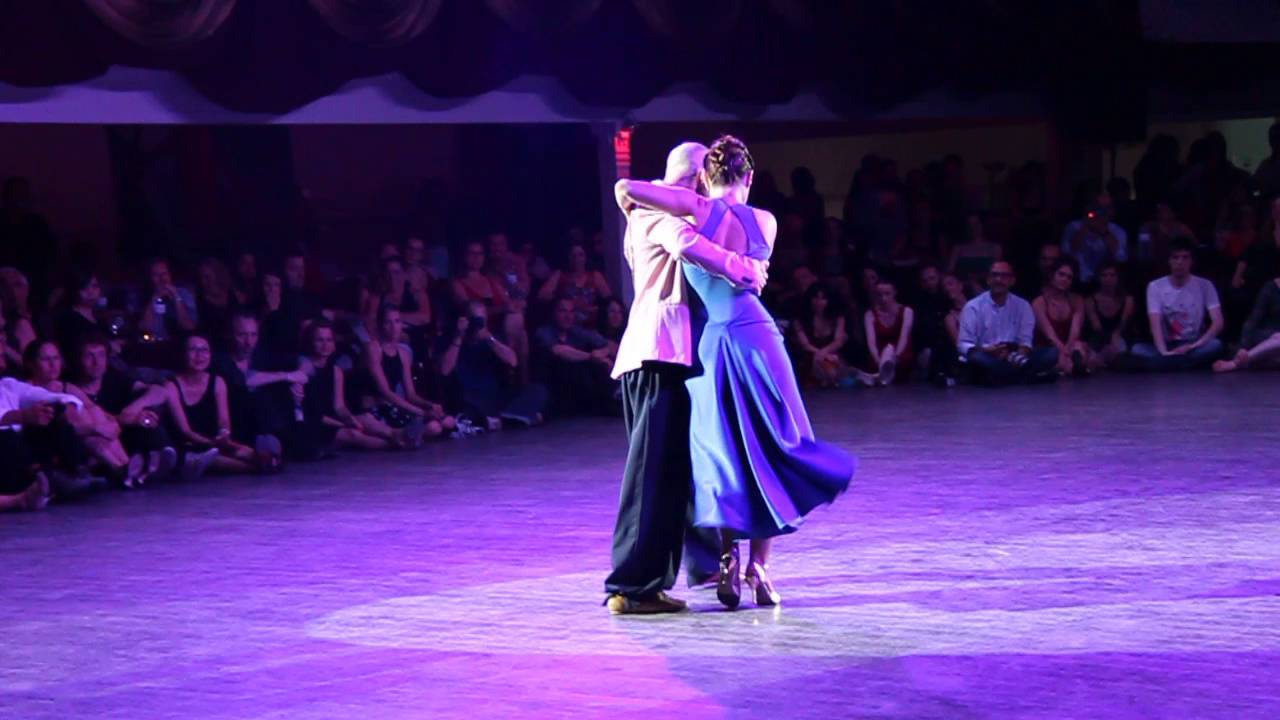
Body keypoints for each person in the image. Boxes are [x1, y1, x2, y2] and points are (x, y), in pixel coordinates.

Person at [616, 134, 856, 611]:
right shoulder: (721, 219)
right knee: (767, 446)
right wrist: (741, 267)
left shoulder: (691, 210)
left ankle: (716, 560)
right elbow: (683, 242)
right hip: (720, 341)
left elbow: (629, 187)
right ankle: (739, 568)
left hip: (706, 346)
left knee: (720, 452)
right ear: (748, 176)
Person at [603, 140, 769, 615]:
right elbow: (687, 245)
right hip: (659, 352)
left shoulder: (652, 205)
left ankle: (674, 574)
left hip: (670, 353)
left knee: (679, 468)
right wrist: (745, 269)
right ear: (698, 180)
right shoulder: (655, 211)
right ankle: (631, 586)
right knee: (652, 474)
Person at [24, 340, 144, 487]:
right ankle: (120, 469)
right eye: (46, 359)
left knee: (95, 412)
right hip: (49, 441)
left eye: (56, 358)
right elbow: (56, 428)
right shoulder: (26, 391)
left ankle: (125, 465)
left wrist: (114, 422)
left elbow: (95, 409)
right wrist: (96, 428)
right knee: (75, 411)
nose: (53, 365)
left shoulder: (65, 386)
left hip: (80, 437)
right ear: (31, 364)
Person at [73, 334, 177, 485]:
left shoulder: (114, 378)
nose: (97, 362)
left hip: (124, 435)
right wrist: (129, 419)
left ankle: (165, 457)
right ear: (78, 360)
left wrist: (133, 409)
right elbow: (95, 419)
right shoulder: (73, 388)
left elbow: (160, 392)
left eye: (101, 356)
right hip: (99, 442)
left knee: (150, 414)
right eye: (89, 356)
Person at [300, 319, 411, 450]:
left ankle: (397, 434)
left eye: (329, 340)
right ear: (311, 342)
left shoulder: (336, 371)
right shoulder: (303, 369)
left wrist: (350, 419)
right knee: (353, 433)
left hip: (332, 418)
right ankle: (393, 444)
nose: (325, 345)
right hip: (313, 424)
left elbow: (339, 407)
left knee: (364, 419)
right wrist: (343, 425)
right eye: (320, 340)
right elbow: (312, 413)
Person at [165, 333, 263, 476]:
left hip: (213, 443)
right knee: (229, 462)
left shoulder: (217, 382)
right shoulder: (171, 385)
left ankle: (266, 462)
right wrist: (212, 444)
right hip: (188, 445)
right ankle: (256, 468)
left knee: (247, 453)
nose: (199, 355)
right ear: (183, 354)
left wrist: (224, 436)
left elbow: (223, 421)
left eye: (204, 350)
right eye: (193, 350)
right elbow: (185, 431)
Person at [956, 261, 1059, 386]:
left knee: (1052, 353)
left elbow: (1025, 341)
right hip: (986, 355)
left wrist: (1017, 355)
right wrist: (987, 350)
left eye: (1004, 276)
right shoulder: (973, 307)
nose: (999, 279)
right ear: (988, 280)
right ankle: (1029, 377)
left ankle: (1001, 378)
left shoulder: (1023, 306)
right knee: (977, 359)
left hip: (1013, 356)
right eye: (995, 275)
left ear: (1012, 281)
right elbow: (963, 344)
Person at [1131, 239, 1224, 371]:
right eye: (1175, 257)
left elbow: (1218, 322)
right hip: (1166, 345)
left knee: (1216, 345)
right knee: (1137, 349)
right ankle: (1182, 364)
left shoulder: (1205, 285)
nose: (1180, 262)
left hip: (1193, 345)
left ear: (1192, 261)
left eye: (1185, 258)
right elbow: (1155, 324)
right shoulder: (1155, 286)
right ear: (1169, 260)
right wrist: (1164, 352)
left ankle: (1165, 364)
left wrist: (1194, 346)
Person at [360, 304, 446, 439]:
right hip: (375, 408)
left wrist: (430, 405)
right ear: (380, 325)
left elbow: (411, 394)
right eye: (388, 322)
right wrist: (421, 412)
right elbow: (385, 392)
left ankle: (404, 437)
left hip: (394, 406)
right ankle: (399, 436)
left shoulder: (404, 353)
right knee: (428, 423)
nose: (394, 327)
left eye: (397, 321)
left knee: (437, 426)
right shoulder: (373, 348)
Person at [535, 298, 617, 417]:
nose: (568, 316)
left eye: (571, 312)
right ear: (554, 313)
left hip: (577, 388)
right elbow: (560, 350)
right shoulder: (544, 332)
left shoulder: (577, 331)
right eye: (563, 311)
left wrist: (603, 352)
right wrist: (592, 356)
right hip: (552, 386)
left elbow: (611, 346)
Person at [1215, 257, 1280, 373]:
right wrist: (1243, 346)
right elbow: (1253, 320)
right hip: (1268, 337)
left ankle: (1251, 361)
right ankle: (1238, 362)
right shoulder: (1271, 288)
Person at [1032, 259, 1093, 376]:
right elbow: (1050, 336)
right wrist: (1064, 352)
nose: (1065, 279)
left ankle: (1069, 367)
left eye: (1069, 277)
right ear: (1052, 275)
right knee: (1055, 355)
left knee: (1079, 346)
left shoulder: (1077, 300)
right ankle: (1070, 368)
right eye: (1061, 274)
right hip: (1048, 347)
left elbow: (1075, 331)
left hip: (1069, 346)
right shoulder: (1039, 302)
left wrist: (1067, 351)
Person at [537, 243, 614, 327]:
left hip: (591, 323)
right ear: (568, 257)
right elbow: (542, 295)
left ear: (585, 257)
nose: (577, 259)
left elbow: (609, 300)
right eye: (573, 255)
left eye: (580, 255)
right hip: (567, 323)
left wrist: (595, 309)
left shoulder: (594, 276)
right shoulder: (560, 275)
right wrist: (562, 300)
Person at [792, 284, 851, 388]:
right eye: (816, 298)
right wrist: (823, 355)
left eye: (823, 298)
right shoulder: (800, 319)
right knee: (821, 365)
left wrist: (824, 353)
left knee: (833, 369)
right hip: (809, 357)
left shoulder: (837, 318)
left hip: (833, 356)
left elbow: (838, 341)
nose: (818, 302)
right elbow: (805, 344)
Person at [1061, 196, 1128, 284]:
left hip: (1105, 283)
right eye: (1098, 207)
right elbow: (1067, 253)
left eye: (1106, 208)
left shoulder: (1118, 231)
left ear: (1112, 211)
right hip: (1077, 280)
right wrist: (1086, 227)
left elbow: (1121, 258)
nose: (1102, 212)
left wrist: (1104, 232)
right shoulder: (1073, 227)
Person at [863, 280, 914, 385]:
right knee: (882, 357)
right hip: (879, 356)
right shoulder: (870, 314)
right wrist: (878, 360)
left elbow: (903, 337)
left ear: (895, 292)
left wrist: (895, 358)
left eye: (887, 294)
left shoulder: (906, 311)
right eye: (879, 295)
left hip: (900, 355)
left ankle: (885, 373)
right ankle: (881, 373)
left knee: (892, 352)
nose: (883, 299)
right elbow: (871, 342)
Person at [1085, 262, 1136, 369]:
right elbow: (1097, 328)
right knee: (1092, 355)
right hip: (1099, 339)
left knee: (1121, 350)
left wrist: (1116, 335)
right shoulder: (1090, 300)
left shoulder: (1127, 299)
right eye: (1104, 275)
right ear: (1098, 277)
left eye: (1112, 275)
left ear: (1118, 278)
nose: (1108, 279)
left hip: (1120, 337)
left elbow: (1123, 324)